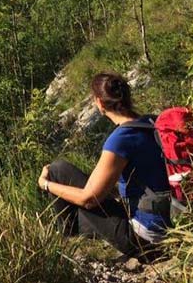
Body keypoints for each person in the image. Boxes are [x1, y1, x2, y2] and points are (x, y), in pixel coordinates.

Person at [38, 72, 171, 260]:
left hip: (146, 240)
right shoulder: (152, 122)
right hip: (173, 225)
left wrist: (45, 184)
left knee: (56, 173)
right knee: (61, 171)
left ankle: (67, 244)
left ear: (100, 103)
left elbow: (89, 199)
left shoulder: (120, 140)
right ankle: (71, 235)